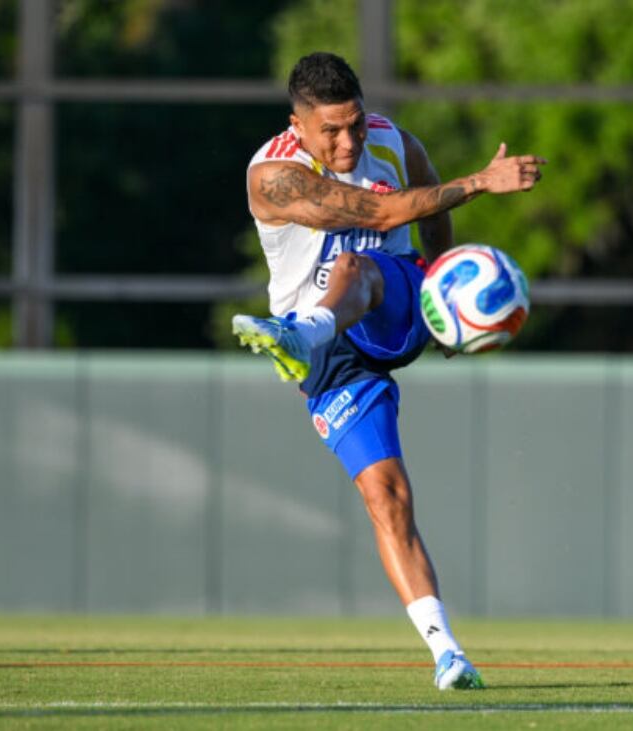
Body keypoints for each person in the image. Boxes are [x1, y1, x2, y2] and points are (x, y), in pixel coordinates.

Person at [232, 52, 545, 690]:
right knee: (386, 495)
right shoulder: (272, 176)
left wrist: (445, 289)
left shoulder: (392, 142)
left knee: (357, 270)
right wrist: (481, 181)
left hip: (388, 298)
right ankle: (447, 652)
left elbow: (426, 212)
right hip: (334, 362)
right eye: (331, 131)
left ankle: (300, 334)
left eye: (354, 123)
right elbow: (372, 213)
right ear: (297, 124)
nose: (348, 141)